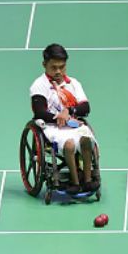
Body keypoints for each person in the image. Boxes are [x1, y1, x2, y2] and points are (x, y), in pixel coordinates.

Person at [29, 43, 99, 195]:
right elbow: (39, 112)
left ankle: (87, 180)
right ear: (44, 65)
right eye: (54, 67)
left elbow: (85, 107)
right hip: (52, 127)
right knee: (69, 145)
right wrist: (59, 117)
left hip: (74, 124)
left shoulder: (73, 83)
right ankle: (74, 182)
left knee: (86, 140)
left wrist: (69, 111)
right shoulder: (39, 85)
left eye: (62, 67)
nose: (58, 71)